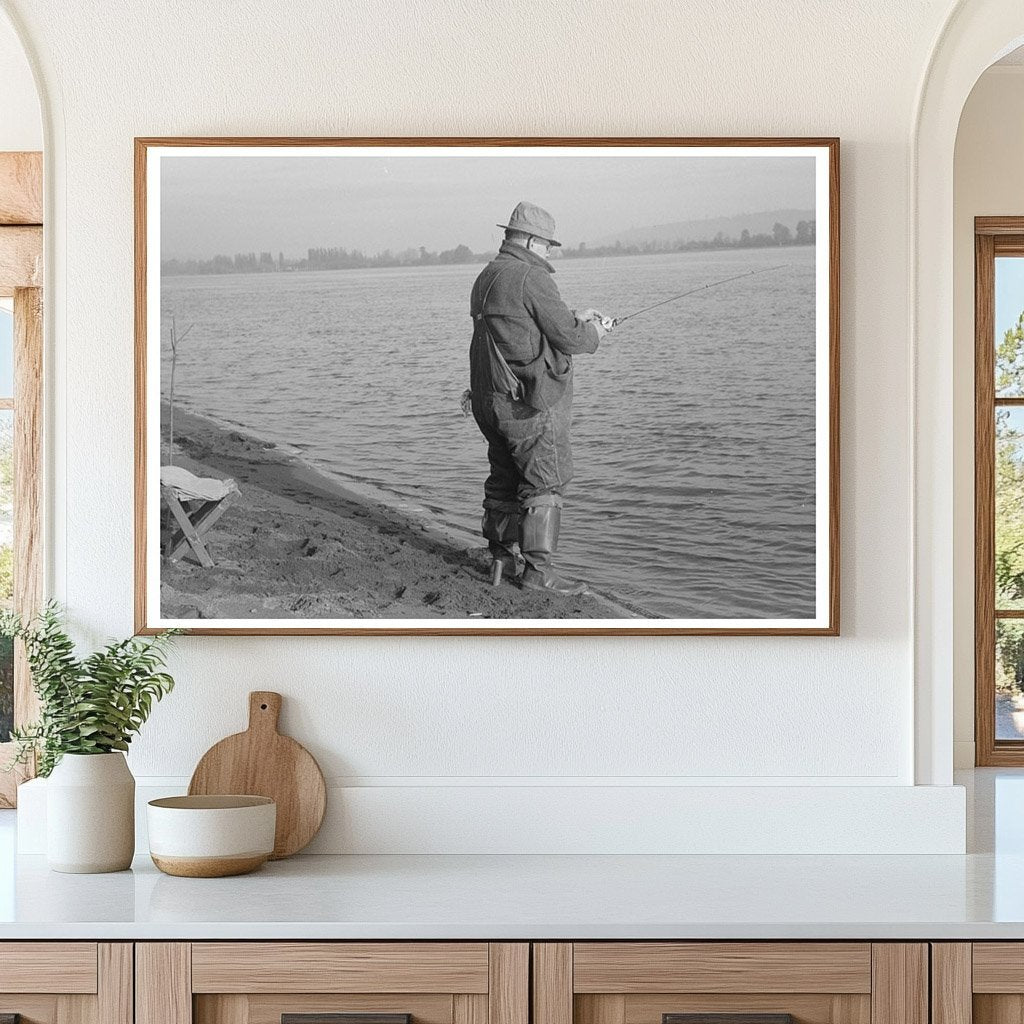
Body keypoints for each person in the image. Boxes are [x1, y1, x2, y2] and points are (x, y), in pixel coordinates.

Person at [469, 200, 611, 596]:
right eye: (548, 244)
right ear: (531, 241)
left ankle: (500, 557)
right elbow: (568, 338)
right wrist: (595, 331)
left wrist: (573, 315)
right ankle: (537, 573)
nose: (549, 252)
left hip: (490, 401)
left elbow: (519, 328)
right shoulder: (531, 277)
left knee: (503, 479)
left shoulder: (486, 276)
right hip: (526, 403)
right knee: (545, 481)